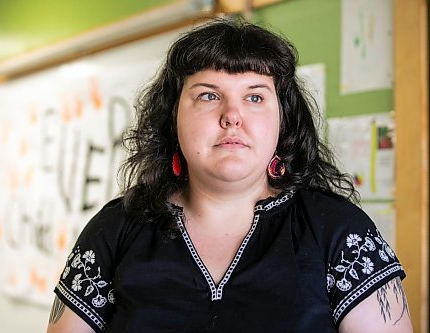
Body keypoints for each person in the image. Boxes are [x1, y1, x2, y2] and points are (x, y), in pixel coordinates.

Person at [46, 18, 413, 333]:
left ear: (282, 119)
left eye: (255, 97)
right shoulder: (113, 231)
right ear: (173, 116)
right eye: (208, 96)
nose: (232, 116)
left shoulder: (340, 232)